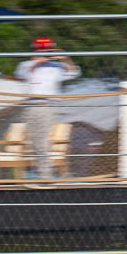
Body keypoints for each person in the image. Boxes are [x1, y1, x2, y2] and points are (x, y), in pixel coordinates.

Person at [14, 37, 79, 181]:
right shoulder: (25, 65)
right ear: (34, 49)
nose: (44, 52)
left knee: (42, 140)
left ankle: (45, 175)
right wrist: (38, 61)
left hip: (47, 105)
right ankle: (42, 172)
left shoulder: (56, 66)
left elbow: (74, 72)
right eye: (41, 49)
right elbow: (23, 74)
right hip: (31, 105)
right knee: (35, 140)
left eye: (47, 49)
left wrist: (65, 58)